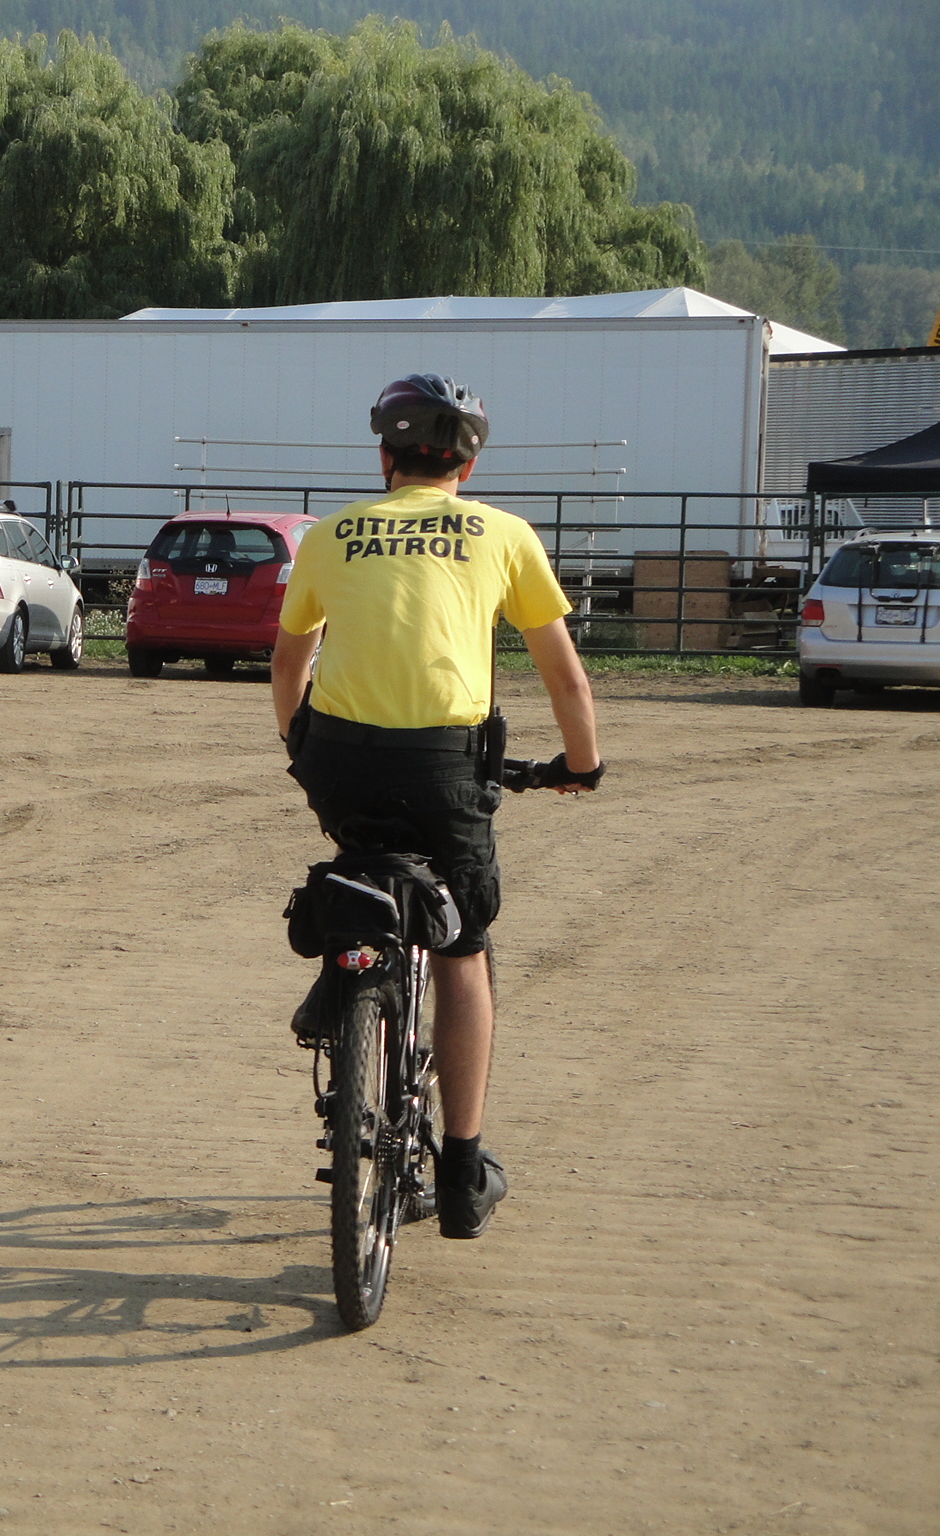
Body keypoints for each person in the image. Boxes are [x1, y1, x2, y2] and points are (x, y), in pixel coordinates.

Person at [269, 374, 603, 1240]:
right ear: (466, 461)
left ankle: (343, 970)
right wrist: (583, 763)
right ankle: (461, 1170)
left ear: (385, 455)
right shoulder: (502, 533)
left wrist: (299, 747)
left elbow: (287, 667)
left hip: (340, 760)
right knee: (462, 945)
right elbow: (563, 673)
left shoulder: (332, 534)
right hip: (446, 767)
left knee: (360, 854)